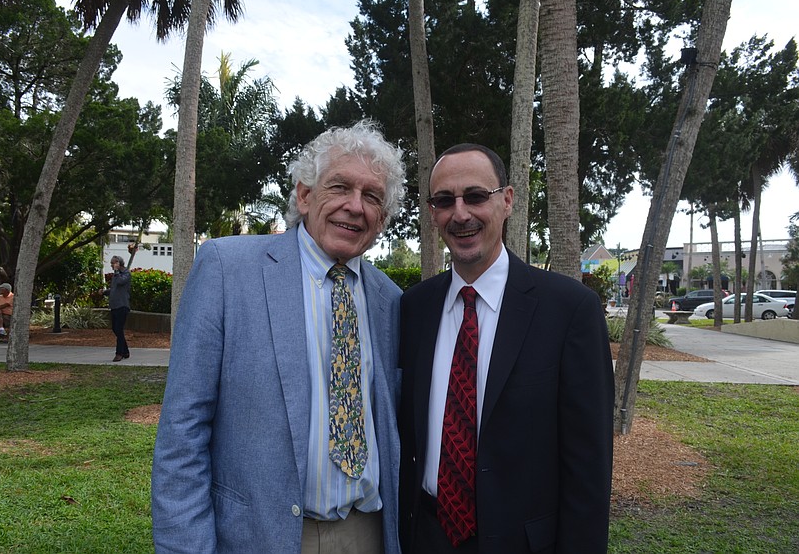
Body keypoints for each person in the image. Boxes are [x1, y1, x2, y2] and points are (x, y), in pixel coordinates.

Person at [152, 121, 407, 553]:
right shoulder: (226, 270)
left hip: (368, 534)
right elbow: (183, 431)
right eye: (340, 187)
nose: (355, 206)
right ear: (304, 195)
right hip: (258, 537)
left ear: (382, 217)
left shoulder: (391, 300)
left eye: (372, 197)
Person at [398, 144, 614, 553]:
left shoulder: (568, 310)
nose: (460, 213)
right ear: (432, 213)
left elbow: (589, 467)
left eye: (476, 196)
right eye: (445, 201)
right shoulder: (414, 307)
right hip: (426, 536)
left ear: (507, 200)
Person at [99, 255, 131, 361]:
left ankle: (119, 353)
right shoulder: (115, 276)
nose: (112, 265)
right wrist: (104, 292)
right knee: (115, 329)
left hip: (122, 305)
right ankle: (125, 351)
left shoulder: (126, 273)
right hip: (114, 306)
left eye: (113, 263)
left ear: (118, 263)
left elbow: (121, 282)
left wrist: (117, 272)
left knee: (118, 329)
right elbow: (114, 289)